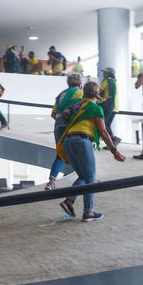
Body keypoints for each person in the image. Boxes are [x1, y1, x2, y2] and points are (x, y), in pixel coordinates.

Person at [57, 82, 126, 221]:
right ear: (97, 92)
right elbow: (104, 133)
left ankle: (69, 201)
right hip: (81, 141)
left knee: (83, 176)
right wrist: (114, 151)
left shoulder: (77, 106)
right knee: (91, 178)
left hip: (68, 142)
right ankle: (88, 212)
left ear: (84, 93)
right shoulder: (95, 108)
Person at [45, 74, 83, 191]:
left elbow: (53, 114)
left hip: (58, 127)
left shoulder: (61, 94)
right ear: (80, 82)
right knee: (81, 153)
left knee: (60, 155)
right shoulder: (79, 93)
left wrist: (60, 119)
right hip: (70, 127)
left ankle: (51, 182)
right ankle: (89, 178)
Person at [99, 67, 121, 147]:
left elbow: (99, 92)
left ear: (109, 74)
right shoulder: (114, 81)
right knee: (107, 124)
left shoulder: (106, 81)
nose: (103, 74)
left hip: (108, 106)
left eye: (105, 72)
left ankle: (114, 139)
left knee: (104, 124)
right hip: (115, 106)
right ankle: (112, 142)